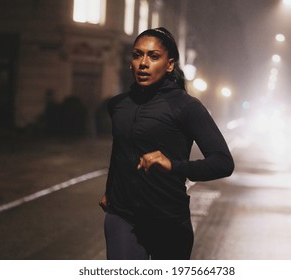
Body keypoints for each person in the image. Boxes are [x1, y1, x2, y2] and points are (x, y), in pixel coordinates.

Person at [99, 27, 234, 260]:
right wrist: (109, 191)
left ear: (169, 65)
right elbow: (120, 151)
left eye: (153, 56)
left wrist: (174, 165)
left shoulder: (187, 107)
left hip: (168, 220)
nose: (143, 63)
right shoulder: (118, 105)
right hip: (122, 215)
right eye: (137, 55)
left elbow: (223, 163)